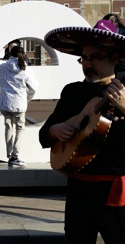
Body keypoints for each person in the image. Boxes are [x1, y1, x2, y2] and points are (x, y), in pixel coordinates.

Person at [39, 19, 125, 243]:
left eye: (94, 57)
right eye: (84, 58)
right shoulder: (72, 91)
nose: (87, 64)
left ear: (115, 58)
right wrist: (55, 130)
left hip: (114, 191)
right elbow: (45, 134)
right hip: (78, 188)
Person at [0, 46, 38, 166]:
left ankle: (9, 154)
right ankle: (15, 156)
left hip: (5, 104)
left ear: (10, 54)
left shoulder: (4, 67)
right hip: (19, 104)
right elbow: (33, 87)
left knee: (8, 128)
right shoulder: (25, 69)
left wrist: (1, 58)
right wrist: (27, 98)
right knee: (20, 129)